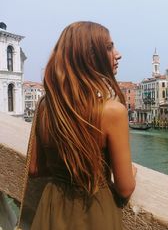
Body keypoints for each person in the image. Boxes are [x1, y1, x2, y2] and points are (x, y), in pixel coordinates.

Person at [27, 21, 137, 229]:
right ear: (89, 57)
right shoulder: (112, 111)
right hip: (94, 213)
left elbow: (34, 168)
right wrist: (131, 172)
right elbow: (124, 188)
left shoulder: (45, 106)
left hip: (51, 210)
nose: (118, 54)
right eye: (109, 47)